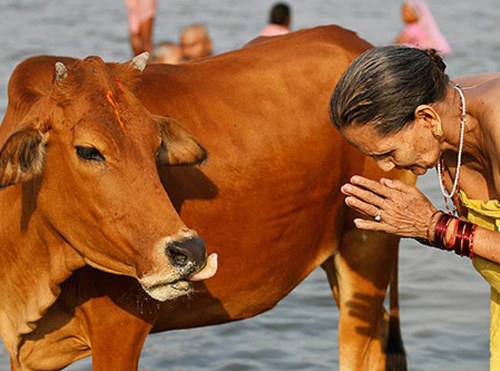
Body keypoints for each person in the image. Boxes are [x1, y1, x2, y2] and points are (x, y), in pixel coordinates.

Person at [329, 45, 500, 368]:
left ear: (425, 117)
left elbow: (448, 230)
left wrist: (435, 227)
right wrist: (415, 225)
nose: (384, 168)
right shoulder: (446, 111)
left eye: (388, 152)